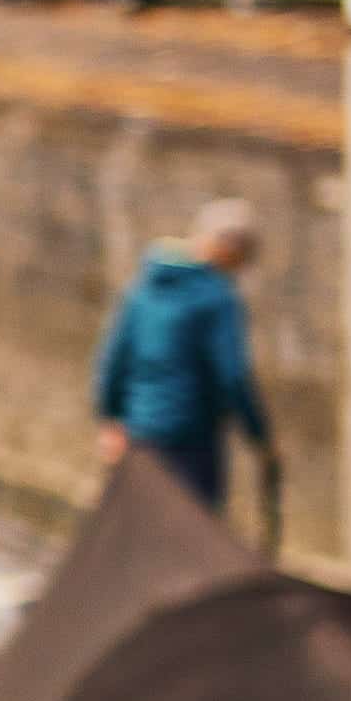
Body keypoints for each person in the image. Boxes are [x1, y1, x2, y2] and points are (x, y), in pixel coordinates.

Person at [92, 196, 273, 519]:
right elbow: (232, 376)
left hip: (139, 438)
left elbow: (114, 360)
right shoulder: (218, 298)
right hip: (191, 443)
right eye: (242, 258)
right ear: (229, 249)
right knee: (194, 535)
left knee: (144, 531)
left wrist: (111, 421)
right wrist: (259, 436)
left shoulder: (143, 288)